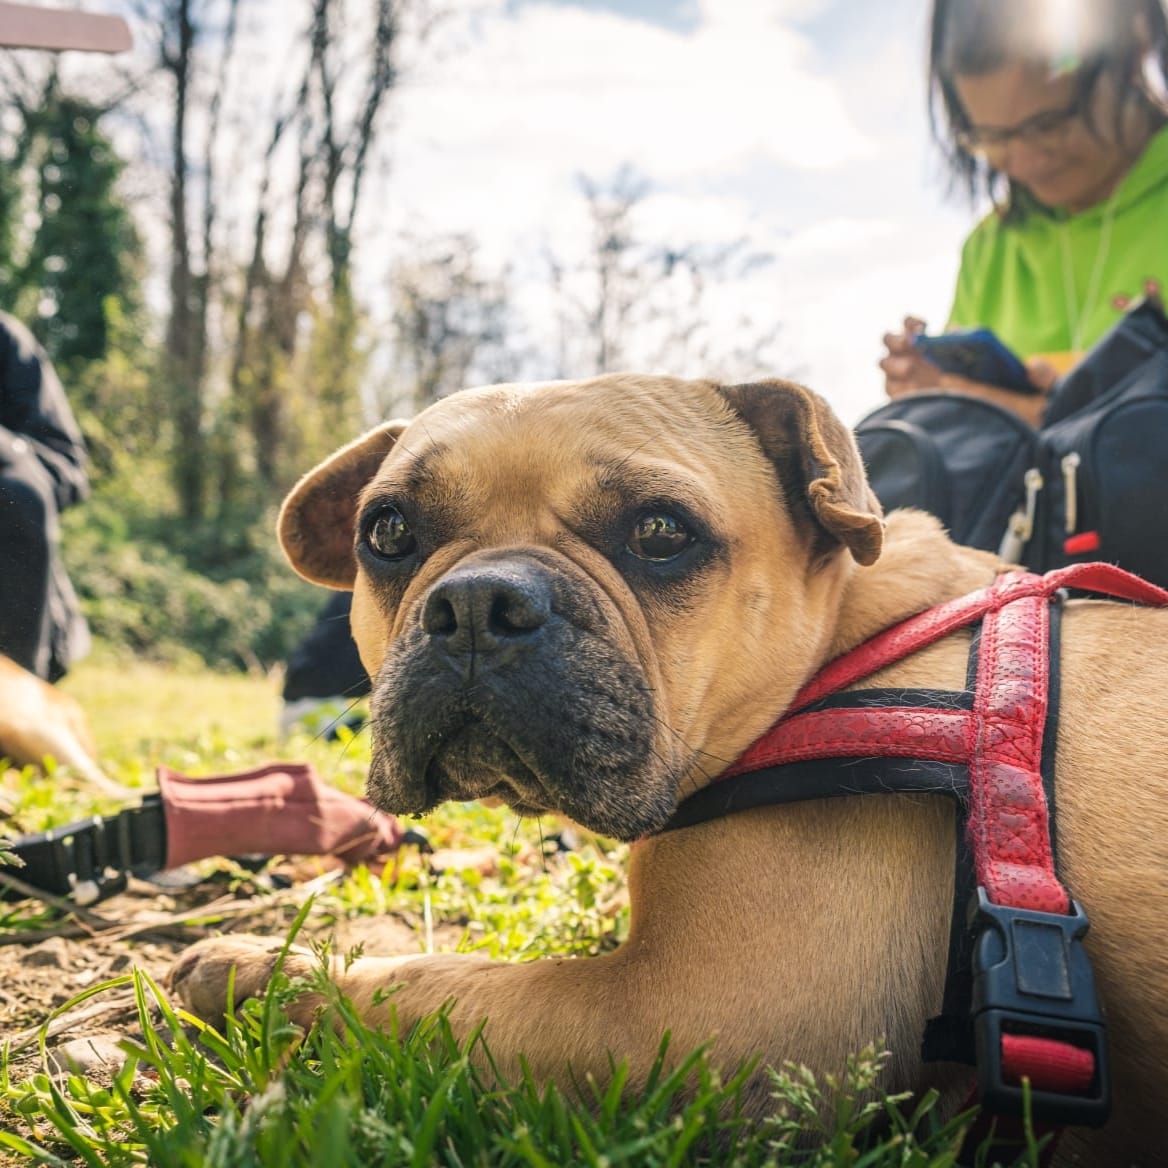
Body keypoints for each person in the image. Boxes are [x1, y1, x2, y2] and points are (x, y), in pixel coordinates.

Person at [880, 0, 1168, 426]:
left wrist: (990, 404)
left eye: (1049, 125)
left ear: (1135, 43)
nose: (1025, 162)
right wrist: (925, 397)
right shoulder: (989, 247)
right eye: (990, 137)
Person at [0, 312, 91, 682]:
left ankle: (18, 689)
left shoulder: (7, 342)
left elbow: (65, 466)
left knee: (19, 491)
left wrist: (7, 450)